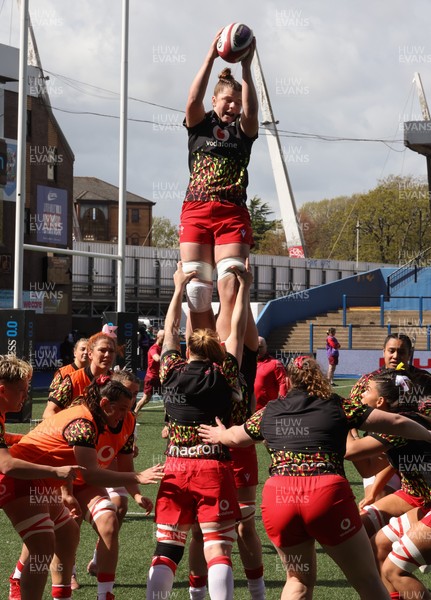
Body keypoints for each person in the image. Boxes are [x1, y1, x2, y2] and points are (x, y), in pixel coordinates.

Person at [198, 356, 431, 599]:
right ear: (320, 378)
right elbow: (394, 421)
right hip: (325, 493)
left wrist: (220, 434)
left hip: (279, 498)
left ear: (287, 381)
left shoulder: (269, 411)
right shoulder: (337, 405)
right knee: (367, 579)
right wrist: (427, 434)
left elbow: (236, 436)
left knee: (297, 580)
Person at [146, 261, 252, 600]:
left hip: (176, 467)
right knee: (218, 549)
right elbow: (236, 332)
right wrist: (244, 289)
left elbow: (171, 326)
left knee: (166, 550)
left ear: (187, 349)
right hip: (214, 468)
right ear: (215, 350)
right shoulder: (226, 374)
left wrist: (178, 288)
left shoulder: (170, 369)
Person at [9, 375, 164, 600]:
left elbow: (97, 467)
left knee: (70, 532)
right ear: (104, 403)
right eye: (121, 408)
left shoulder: (125, 421)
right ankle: (18, 581)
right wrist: (138, 476)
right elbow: (88, 472)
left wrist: (137, 494)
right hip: (31, 478)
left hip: (60, 478)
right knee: (43, 545)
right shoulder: (82, 421)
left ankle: (96, 594)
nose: (126, 414)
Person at [179, 28, 259, 342]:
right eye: (228, 100)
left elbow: (252, 111)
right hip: (196, 211)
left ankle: (227, 366)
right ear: (215, 100)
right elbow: (192, 98)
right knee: (197, 291)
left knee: (231, 284)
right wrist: (211, 56)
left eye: (237, 102)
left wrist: (247, 69)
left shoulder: (244, 130)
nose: (233, 107)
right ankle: (198, 362)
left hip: (231, 214)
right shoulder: (199, 124)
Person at [0, 354, 82, 600]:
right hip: (9, 479)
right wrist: (56, 472)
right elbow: (7, 465)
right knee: (42, 546)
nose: (26, 397)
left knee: (67, 530)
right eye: (22, 391)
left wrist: (20, 439)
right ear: (2, 390)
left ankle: (58, 594)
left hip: (14, 478)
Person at [349, 334, 431, 506]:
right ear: (384, 351)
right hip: (382, 452)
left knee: (419, 501)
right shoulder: (368, 382)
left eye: (401, 352)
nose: (395, 356)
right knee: (378, 500)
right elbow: (352, 414)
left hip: (418, 454)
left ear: (409, 355)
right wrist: (356, 437)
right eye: (391, 351)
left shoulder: (424, 381)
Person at [43, 330, 116, 418]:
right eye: (102, 350)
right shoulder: (72, 379)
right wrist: (69, 428)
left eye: (111, 351)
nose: (107, 355)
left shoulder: (116, 381)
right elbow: (49, 411)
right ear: (90, 354)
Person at [134, 329, 164, 415]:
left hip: (160, 378)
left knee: (167, 398)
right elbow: (157, 358)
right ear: (158, 337)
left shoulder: (162, 348)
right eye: (163, 337)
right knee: (146, 399)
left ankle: (169, 419)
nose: (165, 339)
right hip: (151, 378)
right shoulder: (153, 348)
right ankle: (134, 414)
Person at [254, 336, 287, 411]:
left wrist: (281, 405)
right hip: (250, 410)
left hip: (267, 410)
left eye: (260, 347)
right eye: (256, 347)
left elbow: (283, 383)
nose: (258, 350)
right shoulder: (247, 363)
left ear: (266, 347)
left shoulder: (275, 364)